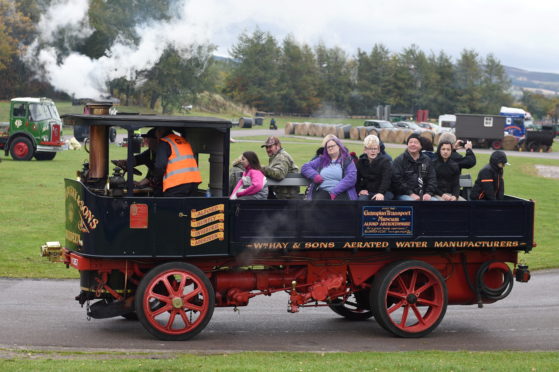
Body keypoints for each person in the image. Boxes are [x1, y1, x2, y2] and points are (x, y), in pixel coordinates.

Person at [153, 127, 202, 197]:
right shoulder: (183, 140)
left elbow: (160, 165)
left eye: (156, 135)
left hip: (176, 184)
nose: (156, 138)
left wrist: (156, 179)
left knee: (171, 207)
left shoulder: (164, 142)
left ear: (159, 132)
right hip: (193, 182)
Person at [113, 128, 162, 195]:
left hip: (161, 187)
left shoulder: (162, 153)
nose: (146, 141)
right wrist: (124, 162)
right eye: (146, 139)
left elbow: (158, 172)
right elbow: (138, 159)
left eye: (148, 139)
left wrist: (142, 183)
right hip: (154, 183)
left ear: (156, 140)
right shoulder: (150, 152)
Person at [391, 132, 437, 201]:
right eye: (410, 142)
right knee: (412, 202)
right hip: (405, 194)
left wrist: (428, 193)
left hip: (423, 194)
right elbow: (397, 181)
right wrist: (411, 194)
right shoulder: (399, 160)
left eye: (416, 142)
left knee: (434, 201)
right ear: (407, 145)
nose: (413, 144)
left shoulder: (426, 160)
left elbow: (432, 179)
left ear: (421, 146)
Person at [356, 134, 393, 201]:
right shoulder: (360, 162)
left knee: (378, 201)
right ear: (365, 150)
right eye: (370, 148)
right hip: (368, 191)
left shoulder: (385, 162)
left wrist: (380, 193)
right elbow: (357, 179)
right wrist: (360, 190)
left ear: (378, 150)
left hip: (384, 191)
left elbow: (386, 179)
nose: (373, 151)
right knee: (362, 201)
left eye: (375, 148)